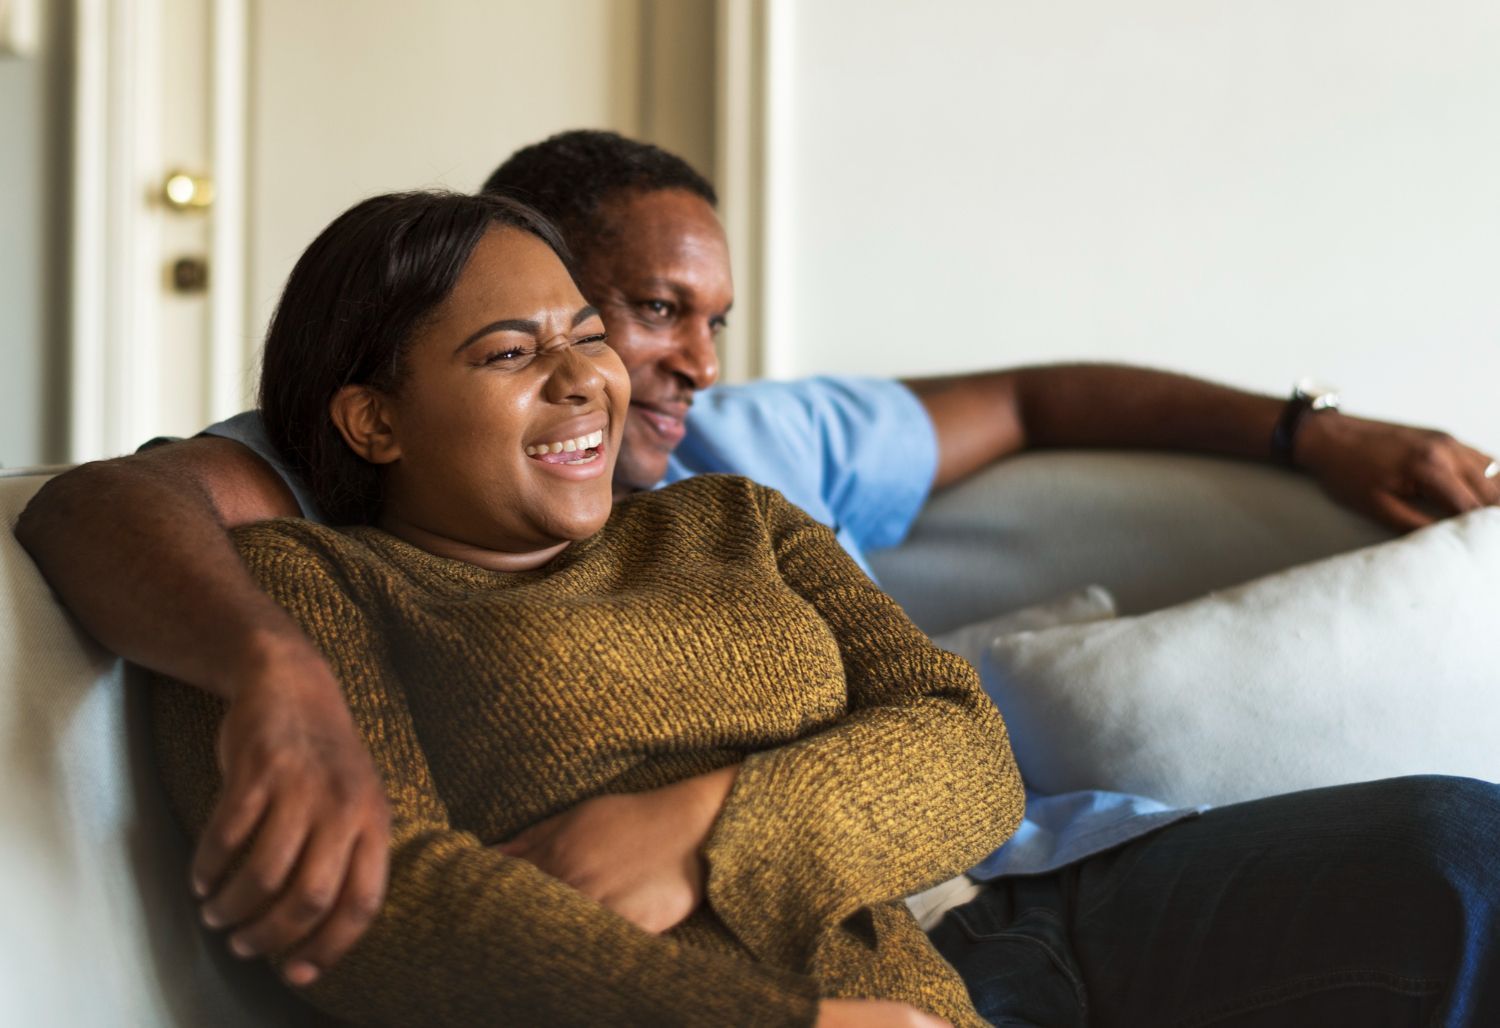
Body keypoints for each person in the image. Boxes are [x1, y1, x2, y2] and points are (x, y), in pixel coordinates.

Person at [15, 129, 1500, 986]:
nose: (679, 369)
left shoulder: (751, 483)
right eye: (643, 310)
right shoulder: (333, 523)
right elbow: (93, 505)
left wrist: (1314, 433)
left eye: (668, 330)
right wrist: (267, 667)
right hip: (825, 974)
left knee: (1460, 850)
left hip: (1020, 877)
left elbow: (1036, 430)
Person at [151, 189, 1022, 1027]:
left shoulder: (736, 519)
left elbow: (972, 751)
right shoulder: (303, 583)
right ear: (374, 422)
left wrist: (704, 835)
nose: (583, 381)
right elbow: (373, 911)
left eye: (592, 337)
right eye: (510, 353)